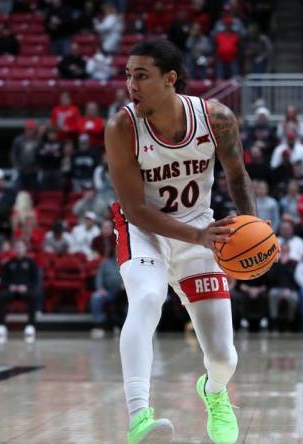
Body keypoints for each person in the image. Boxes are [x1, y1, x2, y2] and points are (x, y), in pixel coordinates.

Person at [105, 39, 255, 444]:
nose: (131, 85)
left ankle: (215, 392)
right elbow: (135, 210)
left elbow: (237, 177)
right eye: (128, 75)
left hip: (199, 233)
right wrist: (199, 236)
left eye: (141, 76)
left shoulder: (217, 118)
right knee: (147, 299)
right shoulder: (122, 127)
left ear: (170, 79)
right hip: (145, 232)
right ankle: (140, 417)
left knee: (223, 357)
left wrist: (250, 230)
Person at [0, 239, 39, 342]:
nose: (19, 250)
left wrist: (26, 287)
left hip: (25, 290)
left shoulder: (31, 263)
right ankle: (1, 325)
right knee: (1, 297)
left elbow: (35, 281)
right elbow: (3, 281)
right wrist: (10, 286)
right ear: (14, 249)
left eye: (21, 247)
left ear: (25, 249)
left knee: (33, 296)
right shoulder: (9, 263)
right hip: (12, 290)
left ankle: (31, 326)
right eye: (17, 247)